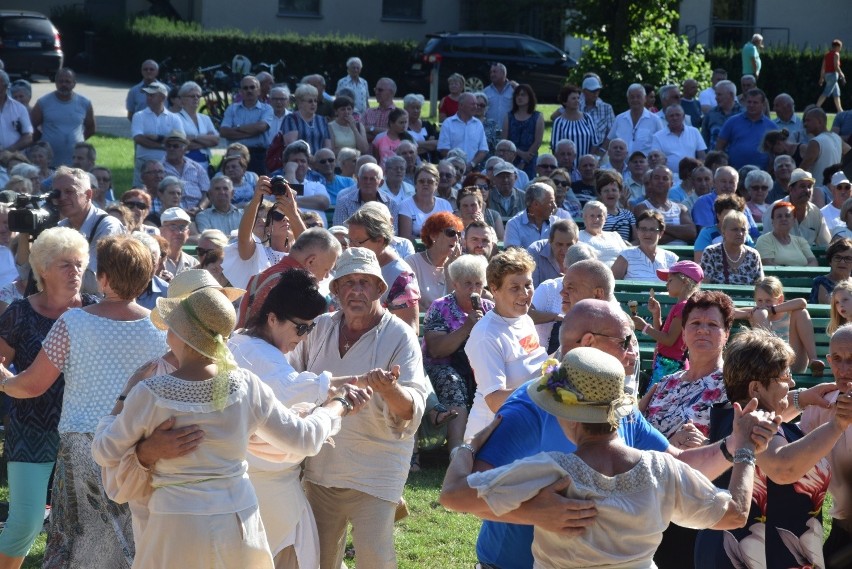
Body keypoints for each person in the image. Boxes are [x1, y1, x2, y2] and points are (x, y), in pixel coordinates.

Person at [91, 284, 370, 569]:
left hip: (176, 524)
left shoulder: (149, 392)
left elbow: (104, 451)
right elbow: (304, 439)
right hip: (237, 521)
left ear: (182, 335)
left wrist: (124, 395)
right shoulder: (245, 384)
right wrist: (338, 404)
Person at [443, 345, 767, 569]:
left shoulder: (550, 470)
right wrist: (744, 450)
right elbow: (736, 514)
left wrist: (466, 448)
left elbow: (453, 495)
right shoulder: (662, 470)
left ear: (567, 415)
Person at [0, 236, 167, 568]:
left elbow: (32, 386)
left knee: (77, 544)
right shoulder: (162, 329)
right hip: (137, 446)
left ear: (102, 278)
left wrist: (5, 381)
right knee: (130, 542)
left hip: (82, 449)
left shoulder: (74, 322)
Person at [289, 246, 429, 569]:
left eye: (365, 282)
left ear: (380, 289)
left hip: (377, 468)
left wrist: (390, 390)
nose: (356, 290)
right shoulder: (319, 328)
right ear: (335, 289)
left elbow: (412, 409)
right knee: (318, 559)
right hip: (322, 466)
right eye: (348, 282)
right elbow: (291, 381)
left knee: (374, 557)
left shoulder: (400, 336)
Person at [228, 270, 377, 568]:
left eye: (310, 329)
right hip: (270, 490)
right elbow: (294, 396)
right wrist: (341, 401)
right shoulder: (263, 356)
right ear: (272, 319)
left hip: (243, 489)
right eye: (300, 328)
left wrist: (352, 383)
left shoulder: (240, 341)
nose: (304, 337)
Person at [694, 327, 852, 568]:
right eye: (784, 375)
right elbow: (783, 468)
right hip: (759, 556)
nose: (792, 381)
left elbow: (777, 422)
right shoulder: (755, 421)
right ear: (755, 388)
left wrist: (803, 398)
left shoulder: (735, 415)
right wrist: (837, 425)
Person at [0, 228, 97, 569]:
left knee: (95, 527)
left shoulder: (96, 311)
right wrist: (9, 381)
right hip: (31, 431)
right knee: (25, 523)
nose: (75, 272)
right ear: (42, 269)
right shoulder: (19, 313)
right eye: (65, 265)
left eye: (79, 264)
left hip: (87, 433)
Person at [464, 248, 546, 439]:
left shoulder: (524, 319)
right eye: (514, 287)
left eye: (528, 284)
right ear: (494, 289)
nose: (525, 294)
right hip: (491, 436)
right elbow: (495, 400)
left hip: (524, 427)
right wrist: (545, 386)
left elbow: (533, 366)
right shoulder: (486, 335)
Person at [422, 254, 492, 451]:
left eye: (478, 284)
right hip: (443, 366)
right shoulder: (440, 307)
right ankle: (456, 450)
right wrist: (467, 326)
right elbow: (436, 351)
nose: (473, 290)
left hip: (476, 366)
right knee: (452, 382)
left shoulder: (490, 309)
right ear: (455, 283)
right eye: (467, 284)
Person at [801, 324, 852, 566]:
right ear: (829, 360)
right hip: (842, 522)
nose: (844, 370)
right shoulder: (818, 406)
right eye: (838, 360)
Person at [48, 166, 125, 295]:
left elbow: (95, 283)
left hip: (101, 308)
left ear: (88, 195)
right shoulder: (59, 228)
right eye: (57, 193)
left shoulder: (107, 226)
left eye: (69, 191)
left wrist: (52, 275)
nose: (62, 198)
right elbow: (27, 275)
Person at [346, 205, 420, 330]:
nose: (351, 248)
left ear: (379, 240)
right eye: (350, 241)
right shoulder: (350, 263)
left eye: (358, 242)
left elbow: (410, 330)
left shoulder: (401, 276)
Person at [738, 276, 824, 375]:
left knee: (801, 312)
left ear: (780, 300)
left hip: (793, 362)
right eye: (760, 300)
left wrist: (772, 310)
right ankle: (769, 362)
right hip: (769, 364)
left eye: (768, 301)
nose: (763, 305)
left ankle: (814, 360)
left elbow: (802, 302)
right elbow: (732, 312)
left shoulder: (787, 310)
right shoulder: (757, 312)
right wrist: (750, 313)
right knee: (759, 314)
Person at [222, 177, 296, 289]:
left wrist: (292, 206)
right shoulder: (257, 251)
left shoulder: (298, 250)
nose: (261, 220)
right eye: (256, 216)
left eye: (266, 217)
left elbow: (311, 248)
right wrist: (257, 198)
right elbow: (244, 238)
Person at [30, 68, 95, 167]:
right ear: (55, 83)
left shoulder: (85, 103)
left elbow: (91, 128)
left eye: (68, 81)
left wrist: (78, 141)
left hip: (75, 163)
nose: (64, 84)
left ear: (74, 83)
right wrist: (43, 140)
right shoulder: (43, 102)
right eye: (60, 81)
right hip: (50, 162)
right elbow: (30, 127)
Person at [404, 212, 463, 309]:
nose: (456, 238)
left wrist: (450, 269)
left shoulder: (459, 266)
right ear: (433, 236)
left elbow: (456, 305)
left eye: (459, 234)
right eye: (451, 233)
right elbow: (410, 301)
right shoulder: (412, 263)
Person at [130, 81, 184, 186]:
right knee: (140, 192)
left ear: (162, 98)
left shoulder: (174, 118)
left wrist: (156, 137)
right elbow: (138, 138)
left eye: (152, 95)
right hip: (144, 162)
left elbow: (179, 140)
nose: (148, 98)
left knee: (167, 190)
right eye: (147, 95)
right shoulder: (139, 115)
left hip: (167, 163)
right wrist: (164, 145)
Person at [219, 76, 273, 175]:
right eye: (245, 88)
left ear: (259, 90)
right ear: (240, 91)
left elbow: (261, 127)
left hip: (258, 156)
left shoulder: (267, 109)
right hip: (235, 155)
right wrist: (253, 132)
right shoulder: (232, 109)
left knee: (260, 188)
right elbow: (224, 132)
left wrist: (237, 128)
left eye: (252, 87)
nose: (249, 90)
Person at [716, 88, 775, 169]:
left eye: (755, 102)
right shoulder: (732, 122)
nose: (751, 105)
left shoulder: (772, 126)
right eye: (749, 102)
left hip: (761, 174)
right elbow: (719, 146)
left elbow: (775, 152)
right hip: (735, 173)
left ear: (763, 104)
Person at [701, 210, 763, 285]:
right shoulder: (711, 252)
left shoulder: (753, 255)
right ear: (723, 232)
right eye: (735, 229)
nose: (740, 233)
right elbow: (705, 285)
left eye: (743, 230)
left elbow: (760, 285)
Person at [612, 210, 678, 280]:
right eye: (643, 229)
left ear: (661, 233)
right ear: (637, 231)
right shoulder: (626, 255)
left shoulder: (671, 258)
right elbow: (612, 283)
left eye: (653, 229)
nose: (647, 234)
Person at [398, 163, 454, 241]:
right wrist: (433, 243)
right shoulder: (406, 205)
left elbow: (450, 233)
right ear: (415, 184)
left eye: (430, 182)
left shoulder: (445, 205)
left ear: (436, 184)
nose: (425, 184)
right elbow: (405, 238)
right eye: (421, 181)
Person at [604, 83, 664, 156]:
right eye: (632, 97)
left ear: (645, 98)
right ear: (628, 99)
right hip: (621, 165)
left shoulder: (655, 120)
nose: (635, 100)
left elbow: (663, 145)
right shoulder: (619, 119)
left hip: (645, 166)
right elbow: (608, 142)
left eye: (638, 97)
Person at [755, 201, 819, 266]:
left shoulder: (800, 241)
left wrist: (801, 274)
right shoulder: (764, 240)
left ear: (794, 220)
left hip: (804, 276)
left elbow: (813, 261)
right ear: (772, 221)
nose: (783, 219)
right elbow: (768, 263)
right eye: (779, 216)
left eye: (787, 216)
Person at [176, 81, 220, 172]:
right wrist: (205, 141)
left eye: (198, 96)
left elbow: (216, 140)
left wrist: (193, 137)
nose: (196, 98)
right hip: (184, 165)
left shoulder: (205, 119)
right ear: (182, 99)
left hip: (205, 164)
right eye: (192, 96)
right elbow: (179, 145)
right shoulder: (175, 118)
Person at [502, 84, 544, 178]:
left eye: (523, 95)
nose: (519, 97)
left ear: (530, 97)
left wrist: (524, 160)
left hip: (530, 159)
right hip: (510, 158)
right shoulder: (509, 117)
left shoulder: (537, 117)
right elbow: (504, 140)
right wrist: (520, 153)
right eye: (517, 95)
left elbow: (538, 142)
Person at [437, 93, 489, 170]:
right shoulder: (448, 123)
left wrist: (471, 164)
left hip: (472, 170)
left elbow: (483, 150)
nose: (476, 107)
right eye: (472, 104)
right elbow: (443, 149)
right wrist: (457, 165)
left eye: (476, 104)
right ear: (461, 105)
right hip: (451, 169)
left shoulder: (478, 124)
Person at [550, 84, 601, 161]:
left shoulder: (587, 118)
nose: (577, 101)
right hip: (566, 165)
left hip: (585, 166)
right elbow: (555, 147)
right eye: (573, 98)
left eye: (578, 98)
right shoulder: (559, 122)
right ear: (565, 102)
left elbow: (594, 143)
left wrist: (587, 159)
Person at [503, 182, 558, 249]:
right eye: (550, 202)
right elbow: (514, 256)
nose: (554, 206)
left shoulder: (557, 223)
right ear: (535, 204)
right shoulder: (514, 225)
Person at [281, 83, 332, 154]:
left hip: (319, 162)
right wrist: (311, 159)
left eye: (315, 101)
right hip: (299, 161)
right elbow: (292, 146)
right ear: (300, 102)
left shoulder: (322, 120)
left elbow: (328, 146)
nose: (313, 104)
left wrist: (320, 159)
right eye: (310, 101)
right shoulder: (291, 119)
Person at [526, 219, 577, 288]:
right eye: (559, 244)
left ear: (577, 242)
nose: (565, 250)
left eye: (569, 245)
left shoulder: (582, 253)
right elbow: (532, 289)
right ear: (550, 241)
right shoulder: (535, 252)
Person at [577, 200, 629, 266]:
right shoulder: (579, 236)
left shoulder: (615, 235)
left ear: (605, 218)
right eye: (592, 216)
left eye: (599, 216)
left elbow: (628, 256)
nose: (596, 219)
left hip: (622, 273)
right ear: (584, 217)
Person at [595, 169, 636, 241]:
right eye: (606, 191)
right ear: (600, 194)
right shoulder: (596, 215)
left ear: (620, 193)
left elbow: (637, 240)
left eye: (614, 190)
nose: (610, 193)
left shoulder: (628, 214)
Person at [811, 238, 852, 303]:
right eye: (838, 257)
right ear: (830, 261)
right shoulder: (821, 282)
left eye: (848, 258)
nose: (842, 262)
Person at [403, 94, 439, 163]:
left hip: (430, 163)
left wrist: (415, 144)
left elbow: (436, 144)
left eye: (418, 108)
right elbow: (405, 148)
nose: (416, 110)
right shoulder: (403, 126)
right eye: (413, 108)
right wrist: (428, 144)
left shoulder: (427, 125)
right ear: (405, 108)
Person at [818, 39, 846, 112]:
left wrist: (821, 78)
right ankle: (816, 108)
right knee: (826, 93)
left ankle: (840, 111)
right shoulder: (836, 54)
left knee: (836, 94)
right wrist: (842, 75)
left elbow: (823, 67)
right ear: (836, 47)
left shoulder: (827, 55)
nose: (840, 49)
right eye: (840, 47)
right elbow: (836, 66)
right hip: (833, 75)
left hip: (827, 76)